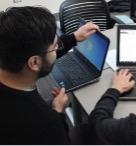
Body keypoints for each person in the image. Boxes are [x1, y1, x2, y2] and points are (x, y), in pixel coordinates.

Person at [0, 6, 98, 144]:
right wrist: (57, 112)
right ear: (34, 62)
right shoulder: (45, 123)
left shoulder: (9, 57)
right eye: (55, 46)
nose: (58, 47)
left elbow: (41, 54)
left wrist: (74, 37)